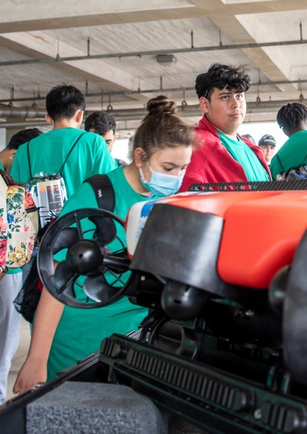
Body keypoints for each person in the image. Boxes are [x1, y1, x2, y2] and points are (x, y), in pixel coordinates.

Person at [13, 96, 194, 391]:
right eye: (169, 167)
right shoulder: (97, 196)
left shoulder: (168, 201)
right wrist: (36, 359)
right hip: (79, 341)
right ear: (140, 157)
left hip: (135, 341)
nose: (177, 178)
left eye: (183, 168)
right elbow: (57, 277)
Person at [9, 85, 115, 195]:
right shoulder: (95, 143)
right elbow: (110, 189)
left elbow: (15, 194)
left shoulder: (24, 149)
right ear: (79, 115)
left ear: (50, 116)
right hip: (84, 212)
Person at [180, 63, 270, 188]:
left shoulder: (253, 150)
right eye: (225, 97)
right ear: (205, 104)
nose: (235, 104)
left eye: (239, 96)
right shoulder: (196, 147)